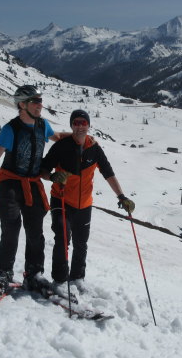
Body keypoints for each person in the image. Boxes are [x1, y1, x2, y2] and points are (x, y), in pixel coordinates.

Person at [0, 85, 69, 296]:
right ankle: (3, 274)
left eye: (40, 101)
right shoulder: (10, 129)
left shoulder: (43, 126)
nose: (39, 105)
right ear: (22, 105)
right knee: (12, 229)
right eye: (35, 101)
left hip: (32, 184)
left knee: (36, 232)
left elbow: (58, 137)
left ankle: (34, 274)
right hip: (10, 185)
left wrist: (82, 136)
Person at [40, 109, 134, 296]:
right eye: (76, 122)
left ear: (89, 125)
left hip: (84, 204)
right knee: (63, 238)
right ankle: (59, 281)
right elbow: (42, 169)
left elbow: (108, 173)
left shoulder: (94, 149)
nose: (80, 126)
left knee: (81, 243)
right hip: (62, 199)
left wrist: (121, 197)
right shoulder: (61, 146)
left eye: (84, 123)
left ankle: (77, 278)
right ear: (72, 125)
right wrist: (52, 177)